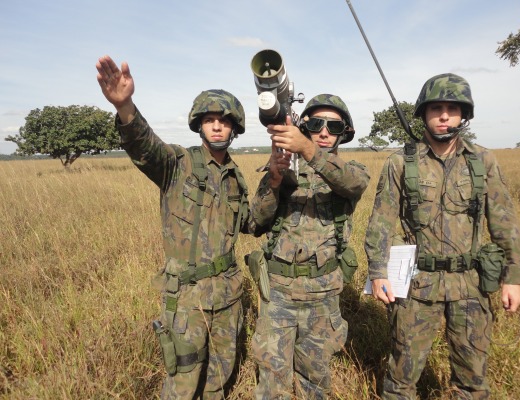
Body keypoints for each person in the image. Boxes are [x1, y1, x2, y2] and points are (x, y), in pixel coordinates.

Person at [364, 73, 520, 399]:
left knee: (472, 380)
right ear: (423, 114)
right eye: (436, 108)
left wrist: (514, 277)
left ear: (463, 115)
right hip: (417, 285)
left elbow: (505, 222)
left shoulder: (482, 161)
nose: (443, 115)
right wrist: (377, 272)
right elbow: (380, 222)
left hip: (469, 285)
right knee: (400, 378)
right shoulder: (400, 162)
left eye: (452, 109)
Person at [96, 55, 250, 400]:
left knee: (220, 377)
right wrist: (125, 106)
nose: (216, 127)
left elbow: (253, 223)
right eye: (209, 120)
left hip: (228, 296)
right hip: (187, 299)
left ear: (234, 129)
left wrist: (275, 180)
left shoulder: (236, 178)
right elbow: (144, 147)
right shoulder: (178, 164)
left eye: (224, 122)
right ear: (199, 125)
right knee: (182, 382)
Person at [247, 94, 370, 399]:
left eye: (333, 125)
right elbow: (256, 223)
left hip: (323, 295)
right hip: (279, 294)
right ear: (304, 126)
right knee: (271, 383)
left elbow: (352, 184)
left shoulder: (351, 171)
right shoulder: (285, 171)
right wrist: (274, 180)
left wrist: (307, 148)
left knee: (315, 382)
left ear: (344, 132)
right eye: (316, 124)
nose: (324, 131)